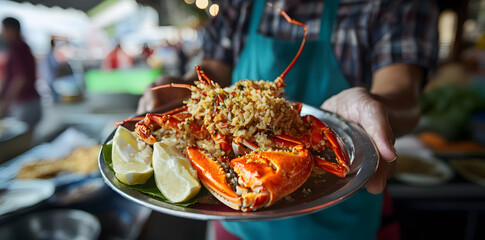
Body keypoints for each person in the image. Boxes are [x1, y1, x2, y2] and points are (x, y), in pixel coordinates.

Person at [137, 0, 439, 239]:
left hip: (342, 225)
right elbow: (214, 69)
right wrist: (185, 84)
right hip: (234, 228)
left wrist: (375, 105)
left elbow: (404, 95)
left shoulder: (391, 4)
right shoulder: (238, 4)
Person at [0, 17, 41, 129]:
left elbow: (21, 79)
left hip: (25, 103)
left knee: (21, 139)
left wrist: (6, 102)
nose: (2, 34)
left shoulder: (19, 48)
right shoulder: (22, 47)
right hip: (29, 102)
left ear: (12, 30)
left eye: (3, 30)